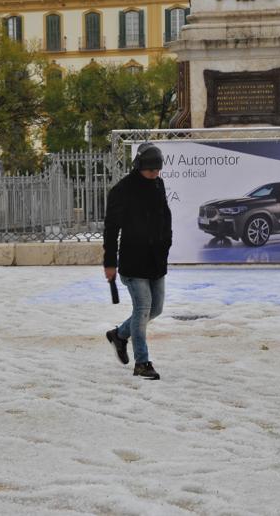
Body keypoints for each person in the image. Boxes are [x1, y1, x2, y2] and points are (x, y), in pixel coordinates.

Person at [103, 143, 172, 380]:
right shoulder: (122, 191)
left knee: (156, 308)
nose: (154, 173)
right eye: (150, 169)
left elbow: (165, 216)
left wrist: (166, 243)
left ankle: (119, 335)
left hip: (156, 260)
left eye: (157, 169)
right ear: (139, 166)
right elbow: (111, 229)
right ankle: (142, 363)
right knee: (142, 309)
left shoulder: (158, 184)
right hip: (133, 260)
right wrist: (109, 262)